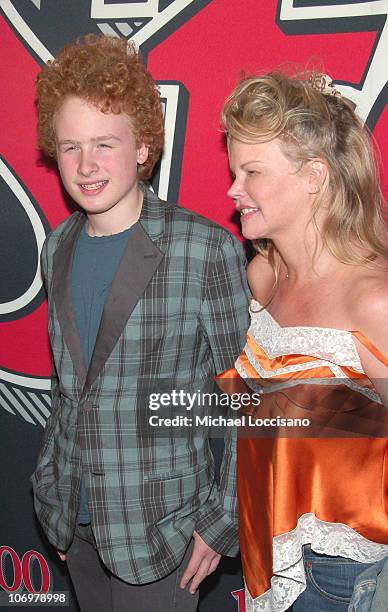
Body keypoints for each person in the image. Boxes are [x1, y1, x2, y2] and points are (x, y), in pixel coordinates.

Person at [31, 34, 250, 612]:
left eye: (105, 144)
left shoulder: (203, 249)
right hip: (73, 524)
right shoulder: (59, 246)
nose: (86, 165)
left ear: (143, 146)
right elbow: (69, 388)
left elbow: (242, 396)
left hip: (164, 533)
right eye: (71, 146)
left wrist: (222, 519)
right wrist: (55, 494)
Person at [219, 71, 388, 611]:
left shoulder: (373, 301)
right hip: (262, 560)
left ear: (314, 176)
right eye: (234, 172)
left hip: (343, 579)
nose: (232, 190)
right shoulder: (263, 276)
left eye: (251, 173)